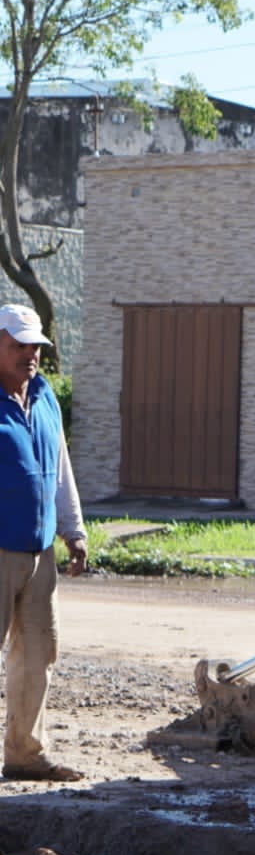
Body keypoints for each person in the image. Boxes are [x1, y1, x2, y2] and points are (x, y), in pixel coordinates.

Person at [0, 303, 88, 783]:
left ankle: (24, 754)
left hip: (38, 553)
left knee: (38, 652)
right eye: (18, 344)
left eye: (34, 345)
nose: (29, 354)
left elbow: (59, 468)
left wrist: (73, 530)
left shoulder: (45, 397)